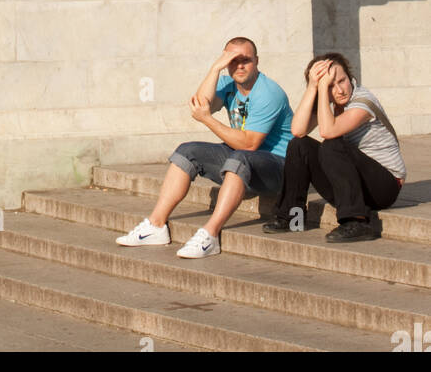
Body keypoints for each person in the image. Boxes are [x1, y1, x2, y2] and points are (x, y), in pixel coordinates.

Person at [116, 37, 293, 257]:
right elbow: (200, 104)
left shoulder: (268, 92)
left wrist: (208, 119)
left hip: (279, 167)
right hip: (242, 156)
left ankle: (210, 235)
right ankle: (156, 225)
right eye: (232, 60)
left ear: (256, 61)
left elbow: (249, 143)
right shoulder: (227, 83)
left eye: (245, 60)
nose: (239, 66)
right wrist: (215, 68)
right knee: (187, 151)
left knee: (240, 157)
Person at [263, 52, 405, 242]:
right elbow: (297, 130)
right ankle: (291, 217)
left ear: (350, 77)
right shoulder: (328, 102)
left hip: (384, 187)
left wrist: (323, 89)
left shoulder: (363, 101)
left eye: (342, 81)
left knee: (331, 144)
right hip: (355, 186)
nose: (339, 90)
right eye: (330, 85)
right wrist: (314, 87)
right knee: (299, 145)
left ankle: (358, 222)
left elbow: (329, 131)